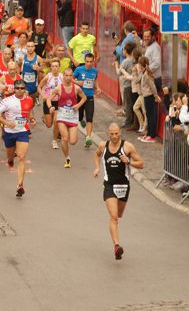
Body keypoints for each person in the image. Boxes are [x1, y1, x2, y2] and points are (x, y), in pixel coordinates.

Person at [93, 123, 144, 260]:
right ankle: (116, 246)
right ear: (108, 133)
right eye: (112, 134)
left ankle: (115, 237)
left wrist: (129, 162)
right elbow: (96, 155)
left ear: (120, 132)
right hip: (109, 185)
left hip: (124, 186)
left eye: (116, 133)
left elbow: (141, 163)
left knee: (119, 215)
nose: (114, 136)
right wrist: (97, 168)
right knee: (114, 216)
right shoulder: (103, 146)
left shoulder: (127, 147)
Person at [0, 79, 35, 197]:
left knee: (21, 157)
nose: (20, 90)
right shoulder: (7, 101)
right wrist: (6, 122)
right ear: (14, 89)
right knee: (10, 156)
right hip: (9, 132)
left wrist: (32, 119)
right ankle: (10, 159)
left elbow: (29, 112)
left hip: (22, 131)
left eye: (22, 88)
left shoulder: (29, 100)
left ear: (25, 89)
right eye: (17, 88)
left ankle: (20, 185)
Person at [49, 67, 87, 168]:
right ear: (63, 76)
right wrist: (51, 107)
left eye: (70, 75)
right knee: (64, 138)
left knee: (73, 142)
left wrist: (78, 105)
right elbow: (49, 99)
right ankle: (67, 158)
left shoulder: (76, 88)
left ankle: (72, 135)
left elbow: (84, 98)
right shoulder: (58, 88)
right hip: (62, 116)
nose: (68, 77)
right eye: (66, 75)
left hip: (73, 117)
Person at [73, 53, 101, 148]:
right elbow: (70, 79)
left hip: (89, 97)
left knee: (90, 117)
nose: (89, 63)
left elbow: (95, 80)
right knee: (79, 117)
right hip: (80, 97)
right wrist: (77, 82)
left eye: (91, 62)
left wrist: (98, 88)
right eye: (87, 61)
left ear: (93, 62)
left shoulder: (95, 71)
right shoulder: (79, 70)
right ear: (84, 61)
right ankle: (81, 120)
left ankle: (88, 137)